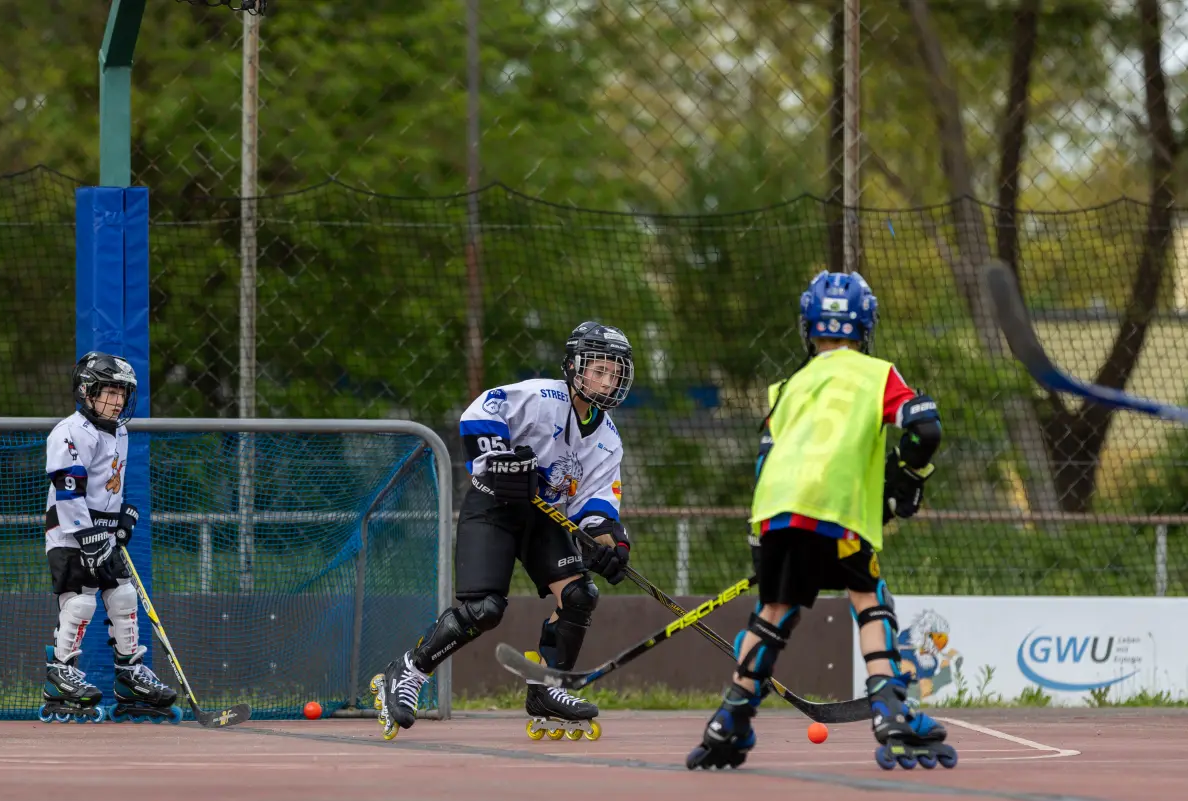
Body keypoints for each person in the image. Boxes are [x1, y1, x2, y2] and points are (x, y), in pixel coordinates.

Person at [685, 270, 955, 771]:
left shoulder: (788, 387)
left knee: (773, 611)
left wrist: (759, 536)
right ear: (865, 325)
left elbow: (767, 458)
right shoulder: (878, 374)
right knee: (870, 597)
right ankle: (891, 707)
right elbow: (924, 428)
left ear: (808, 325)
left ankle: (731, 717)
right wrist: (909, 476)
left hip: (776, 508)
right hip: (838, 511)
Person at [372, 321, 635, 741]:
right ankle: (408, 670)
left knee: (580, 594)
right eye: (598, 370)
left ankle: (548, 686)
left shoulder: (608, 439)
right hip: (493, 507)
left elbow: (595, 505)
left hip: (544, 517)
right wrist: (499, 461)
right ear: (573, 367)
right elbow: (481, 411)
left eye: (614, 373)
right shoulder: (541, 397)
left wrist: (611, 544)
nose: (606, 381)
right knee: (484, 610)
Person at [39, 351, 180, 723]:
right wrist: (86, 534)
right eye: (109, 392)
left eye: (122, 393)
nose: (117, 401)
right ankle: (59, 673)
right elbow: (69, 489)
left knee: (123, 595)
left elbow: (110, 484)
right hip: (71, 534)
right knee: (80, 601)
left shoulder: (120, 431)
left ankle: (130, 675)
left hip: (102, 532)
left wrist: (122, 517)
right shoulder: (68, 432)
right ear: (86, 391)